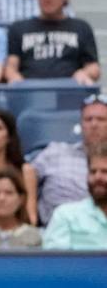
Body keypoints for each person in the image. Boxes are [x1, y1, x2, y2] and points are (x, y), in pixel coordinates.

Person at [5, 0, 99, 85]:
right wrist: (16, 80)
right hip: (30, 92)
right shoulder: (18, 28)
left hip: (70, 92)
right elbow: (10, 67)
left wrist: (84, 73)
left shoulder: (81, 27)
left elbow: (94, 67)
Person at [32, 95, 107, 225]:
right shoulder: (55, 152)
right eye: (88, 119)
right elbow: (26, 172)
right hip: (55, 232)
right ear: (81, 124)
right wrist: (30, 213)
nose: (94, 124)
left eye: (101, 119)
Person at [42, 144, 107, 251]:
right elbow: (54, 263)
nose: (97, 177)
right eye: (93, 172)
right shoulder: (66, 214)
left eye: (105, 172)